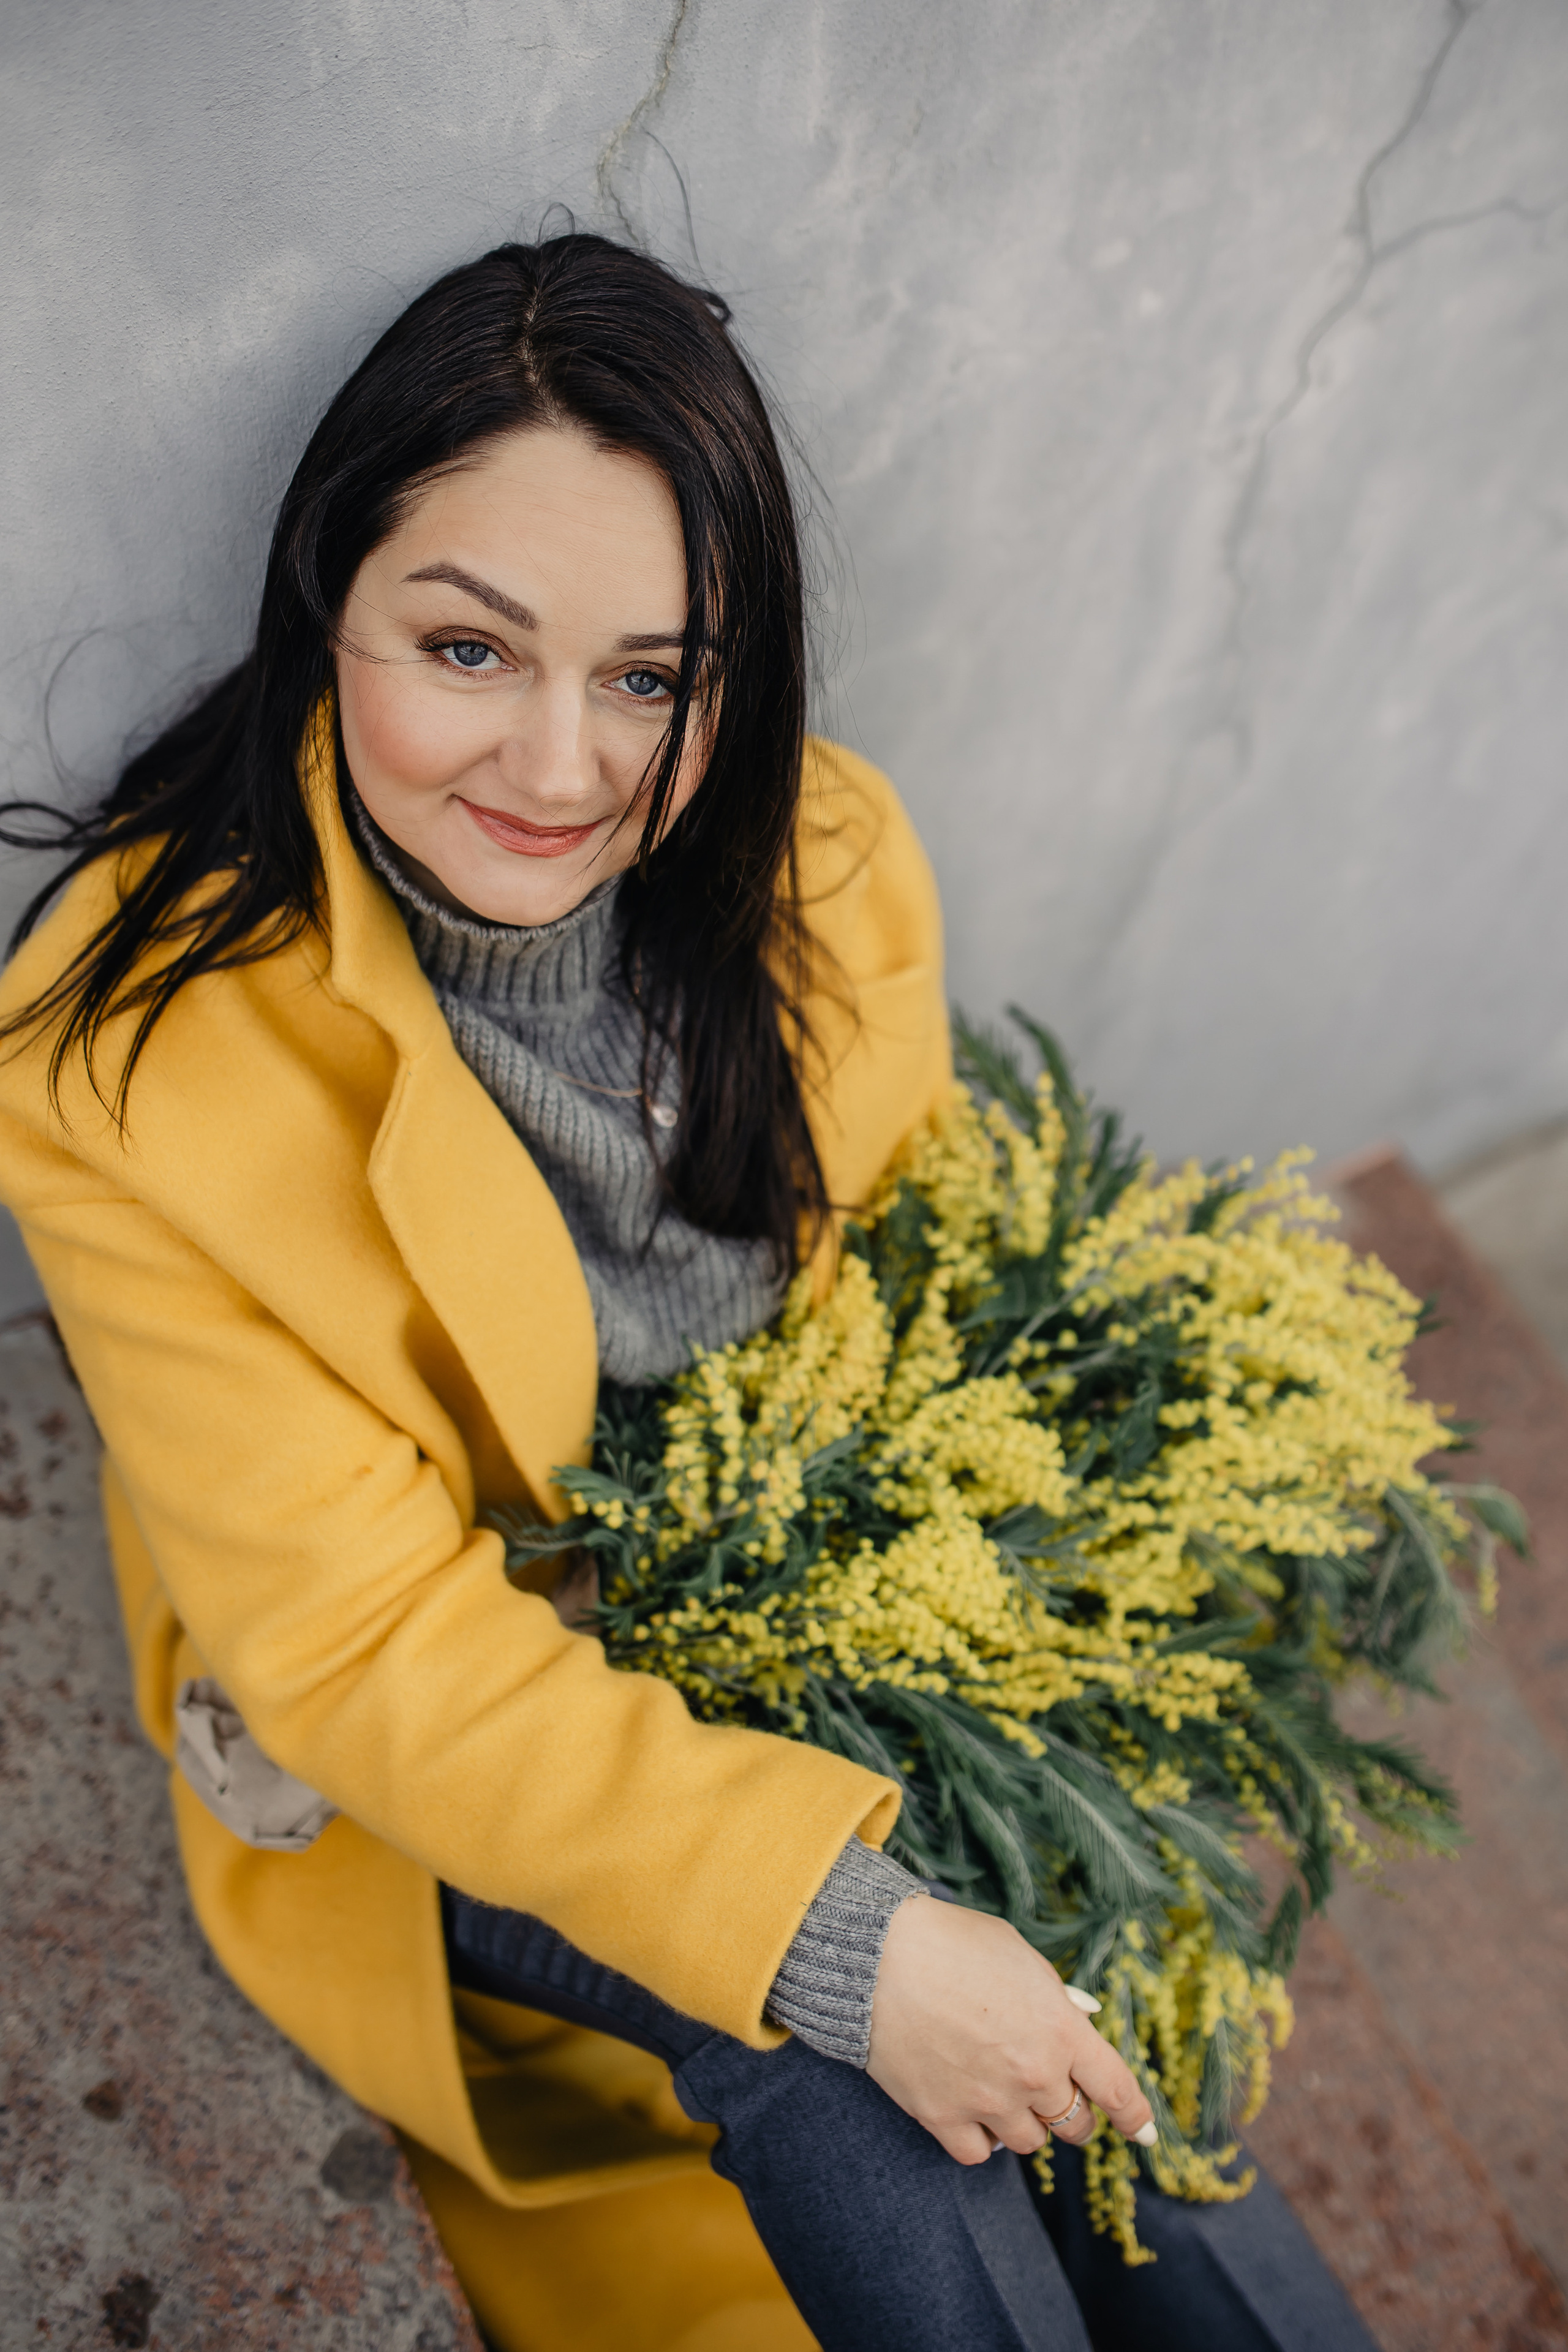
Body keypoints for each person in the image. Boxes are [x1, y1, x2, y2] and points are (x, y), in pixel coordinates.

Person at [0, 235, 1376, 2352]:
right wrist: (846, 1939)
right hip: (443, 1720)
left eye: (653, 677)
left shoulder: (819, 860)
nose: (563, 768)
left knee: (1074, 1972)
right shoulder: (128, 1054)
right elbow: (369, 1644)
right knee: (843, 2026)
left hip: (797, 1592)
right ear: (325, 601)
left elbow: (917, 1303)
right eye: (468, 650)